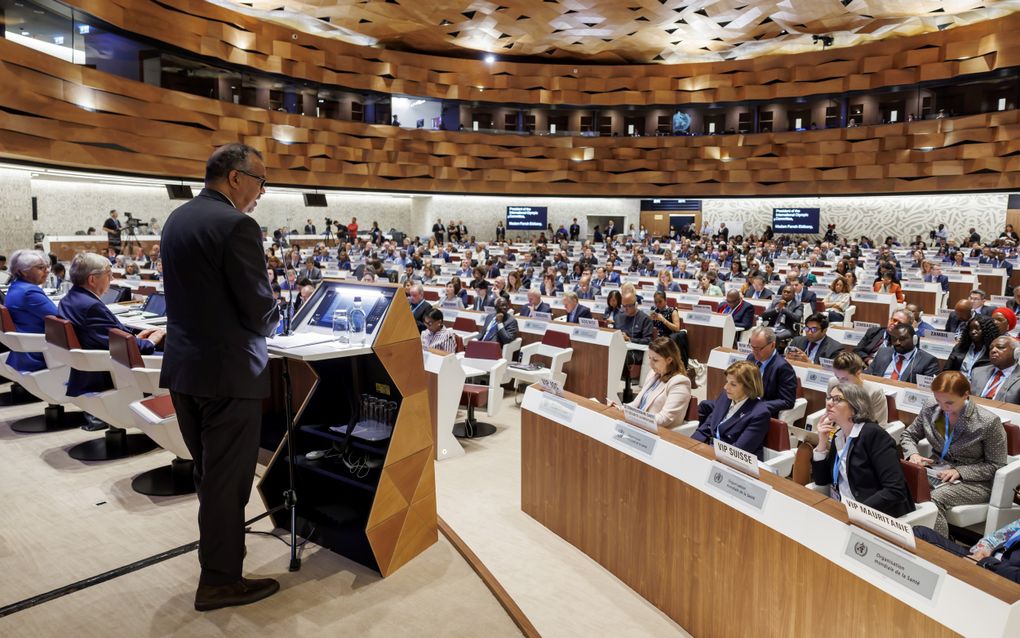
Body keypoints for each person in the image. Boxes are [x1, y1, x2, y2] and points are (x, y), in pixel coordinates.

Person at [159, 144, 281, 610]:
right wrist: (276, 320)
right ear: (235, 178)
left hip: (185, 369)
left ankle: (217, 565)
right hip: (228, 374)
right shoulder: (237, 224)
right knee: (228, 484)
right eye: (261, 182)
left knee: (209, 478)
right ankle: (220, 581)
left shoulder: (178, 219)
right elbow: (256, 306)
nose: (262, 193)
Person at [901, 370, 1008, 537]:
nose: (943, 407)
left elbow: (996, 465)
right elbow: (909, 435)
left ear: (966, 395)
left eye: (949, 403)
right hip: (936, 469)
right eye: (938, 400)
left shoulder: (988, 422)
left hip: (975, 482)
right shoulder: (931, 407)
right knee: (898, 482)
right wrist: (913, 454)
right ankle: (908, 538)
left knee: (934, 498)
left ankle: (941, 547)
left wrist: (960, 472)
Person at [58, 253, 165, 398]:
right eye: (109, 274)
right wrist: (151, 340)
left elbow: (104, 336)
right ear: (92, 279)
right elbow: (125, 348)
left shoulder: (70, 299)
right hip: (108, 375)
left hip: (88, 371)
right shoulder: (91, 307)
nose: (112, 278)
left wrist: (133, 337)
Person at [811, 383, 914, 517]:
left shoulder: (874, 435)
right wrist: (822, 443)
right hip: (841, 508)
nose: (829, 403)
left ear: (855, 406)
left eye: (837, 399)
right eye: (829, 398)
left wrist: (856, 512)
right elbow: (822, 480)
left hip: (872, 515)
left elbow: (895, 490)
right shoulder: (839, 435)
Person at [692, 360, 771, 459]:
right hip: (713, 452)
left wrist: (708, 455)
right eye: (727, 382)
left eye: (733, 384)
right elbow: (706, 428)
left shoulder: (759, 413)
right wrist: (690, 447)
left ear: (749, 387)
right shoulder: (725, 397)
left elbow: (738, 451)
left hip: (736, 464)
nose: (726, 387)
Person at [611, 337, 691, 428]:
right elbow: (636, 404)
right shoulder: (653, 374)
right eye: (649, 358)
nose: (650, 364)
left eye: (655, 360)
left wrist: (635, 417)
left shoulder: (680, 382)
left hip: (658, 433)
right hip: (640, 425)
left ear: (669, 360)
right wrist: (619, 409)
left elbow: (664, 419)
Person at [3, 250, 58, 373]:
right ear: (23, 271)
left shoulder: (16, 286)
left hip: (23, 353)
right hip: (38, 354)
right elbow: (60, 319)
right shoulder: (30, 292)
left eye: (47, 266)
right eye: (40, 267)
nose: (47, 270)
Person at [746, 326, 797, 417]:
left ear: (772, 345)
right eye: (752, 347)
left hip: (763, 414)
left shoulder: (783, 367)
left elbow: (787, 401)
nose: (754, 352)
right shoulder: (751, 358)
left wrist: (759, 406)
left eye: (758, 349)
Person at [865, 323, 940, 383]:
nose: (897, 343)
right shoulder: (883, 352)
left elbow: (928, 389)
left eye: (902, 339)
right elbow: (867, 374)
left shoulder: (928, 361)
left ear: (915, 339)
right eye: (894, 339)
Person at [827, 351, 888, 424]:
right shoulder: (833, 383)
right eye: (837, 377)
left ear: (858, 373)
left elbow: (879, 424)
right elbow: (829, 412)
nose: (840, 383)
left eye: (845, 379)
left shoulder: (874, 392)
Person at [970, 336, 1020, 402]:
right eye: (991, 348)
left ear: (1016, 353)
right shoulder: (977, 372)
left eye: (1000, 347)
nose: (993, 350)